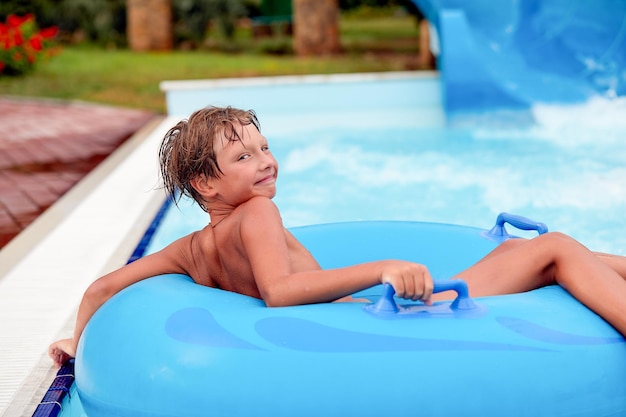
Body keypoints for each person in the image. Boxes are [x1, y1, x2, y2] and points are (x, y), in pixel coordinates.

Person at [49, 106, 626, 367]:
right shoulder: (257, 216)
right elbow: (278, 291)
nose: (265, 162)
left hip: (367, 315)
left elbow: (105, 286)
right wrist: (379, 269)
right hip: (387, 318)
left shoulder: (191, 249)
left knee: (547, 256)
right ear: (205, 181)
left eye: (264, 147)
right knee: (553, 249)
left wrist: (79, 344)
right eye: (243, 156)